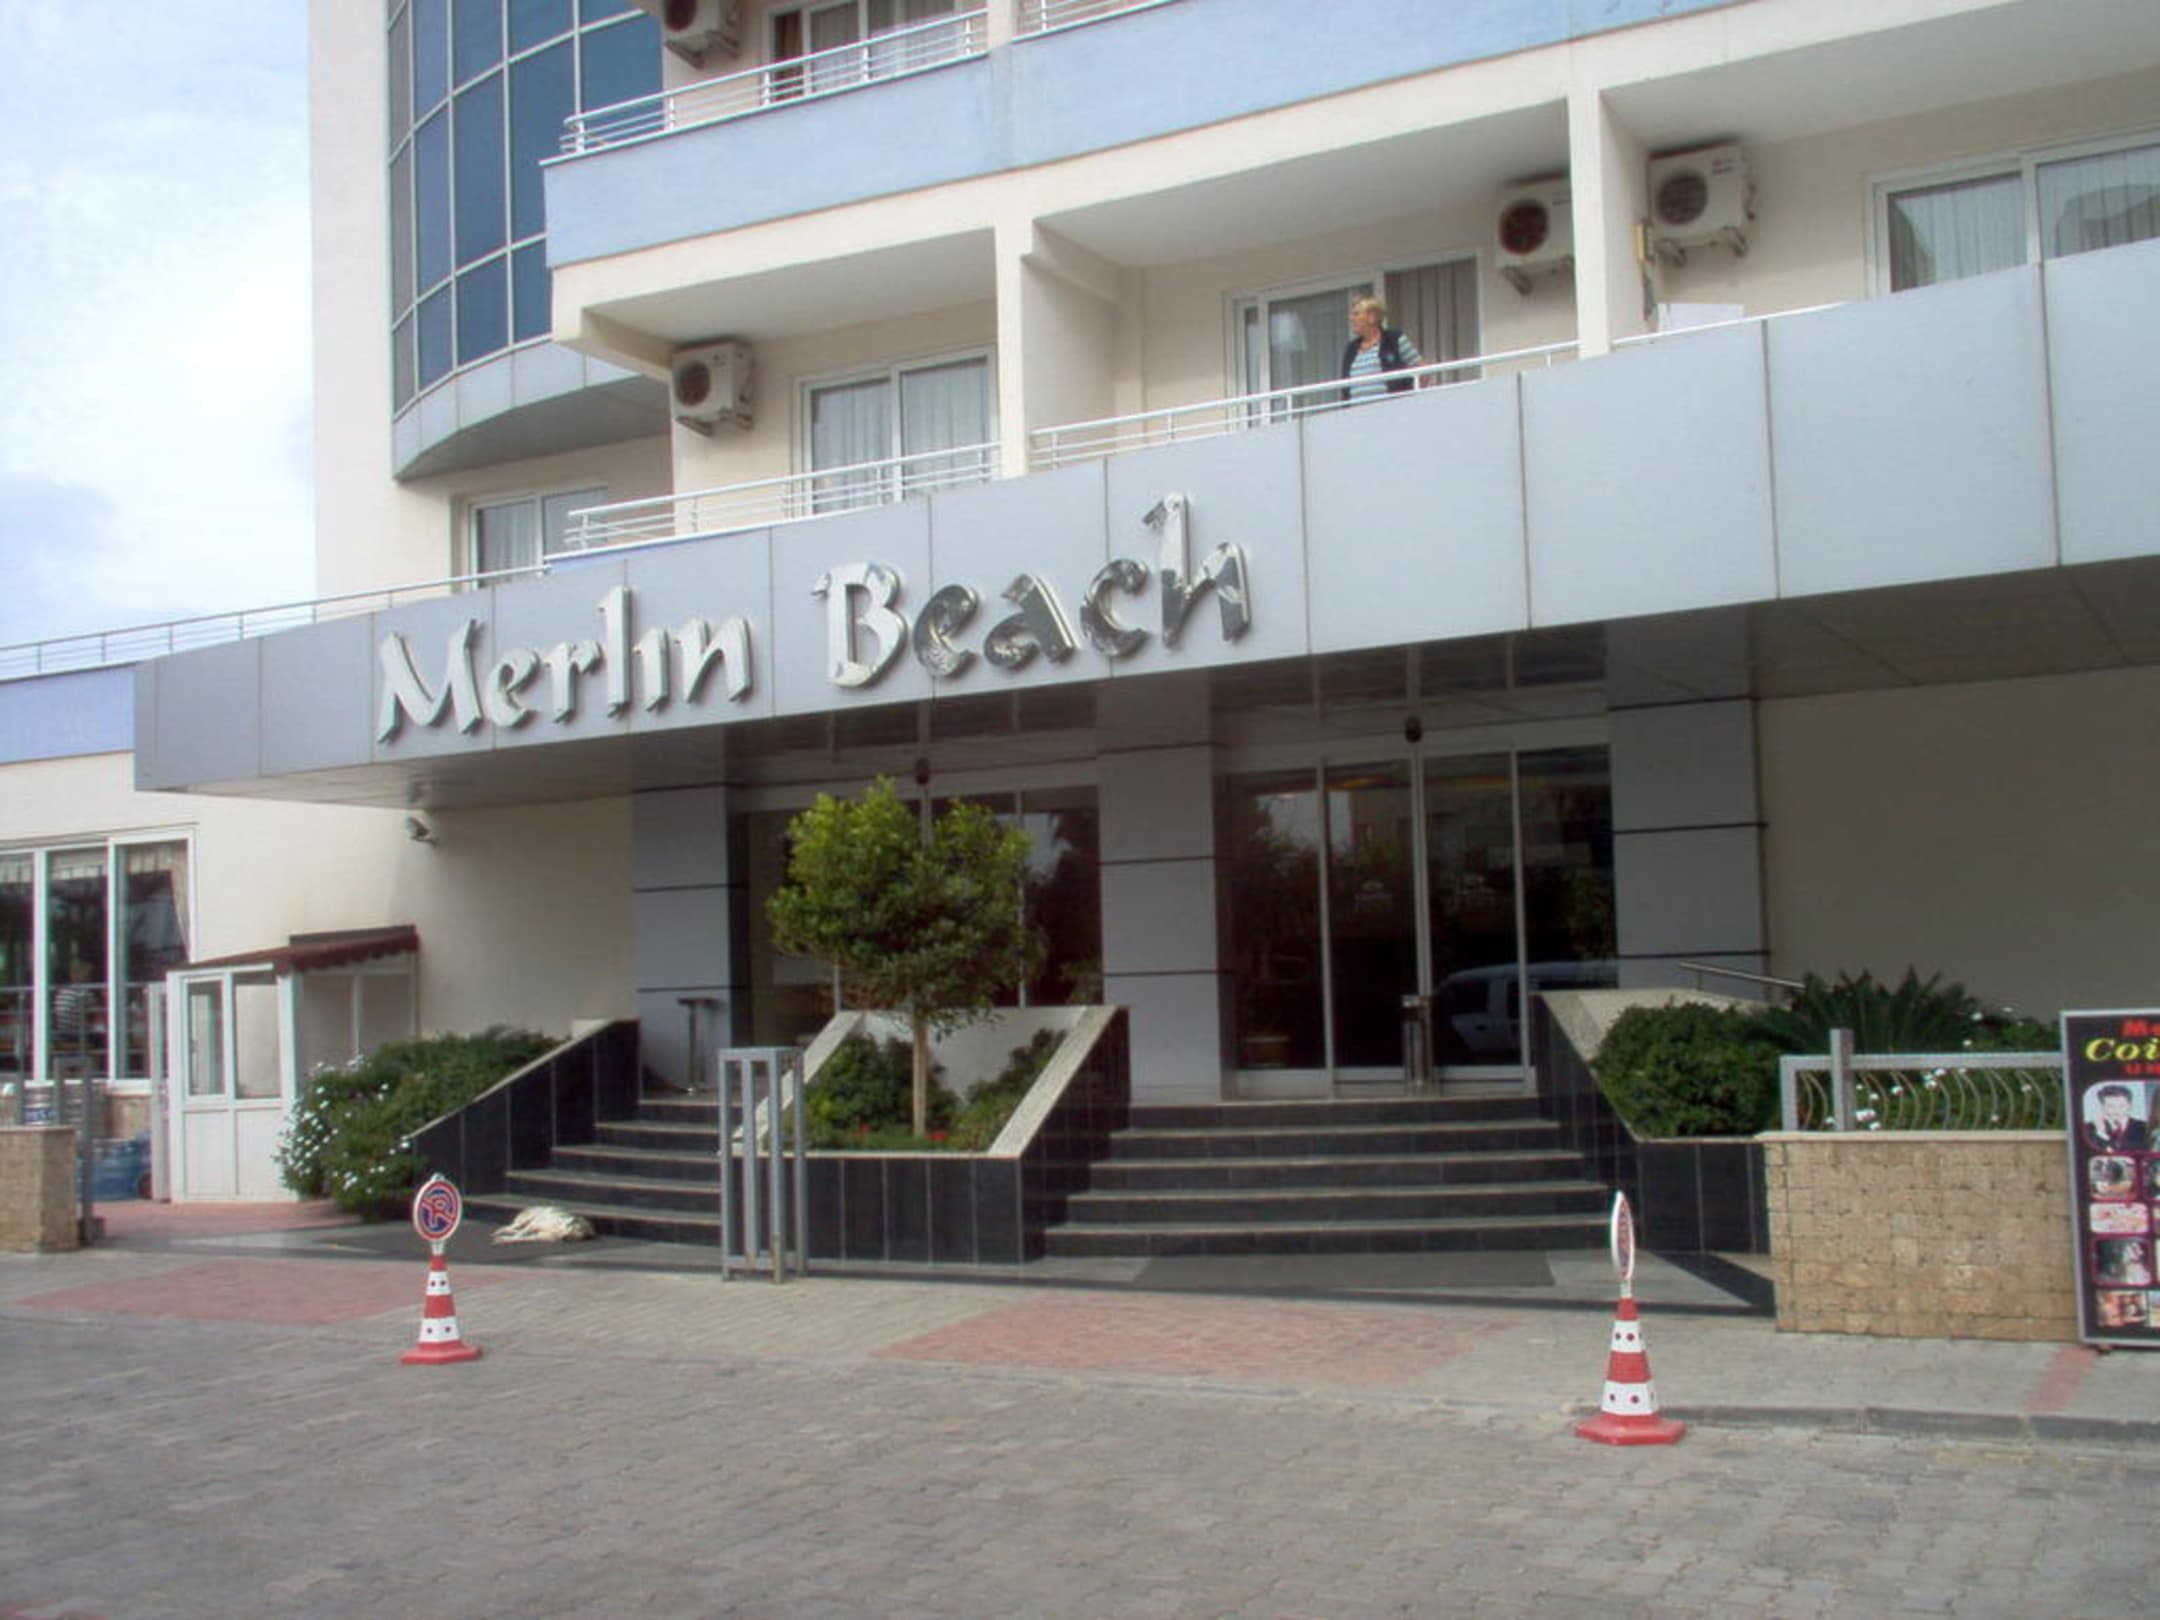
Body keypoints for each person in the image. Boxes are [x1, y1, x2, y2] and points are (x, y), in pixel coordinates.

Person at [1339, 295, 1422, 403]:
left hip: (1391, 408)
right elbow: (1345, 387)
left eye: (1356, 314)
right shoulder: (1351, 349)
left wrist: (1411, 401)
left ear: (1372, 317)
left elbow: (1422, 370)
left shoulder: (1394, 339)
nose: (1351, 318)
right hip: (1358, 411)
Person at [2083, 1083, 2150, 1153]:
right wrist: (2100, 1133)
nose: (2117, 1110)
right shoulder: (2088, 1128)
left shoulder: (2144, 1127)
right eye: (2111, 1106)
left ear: (2130, 1106)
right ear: (2102, 1107)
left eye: (2122, 1106)